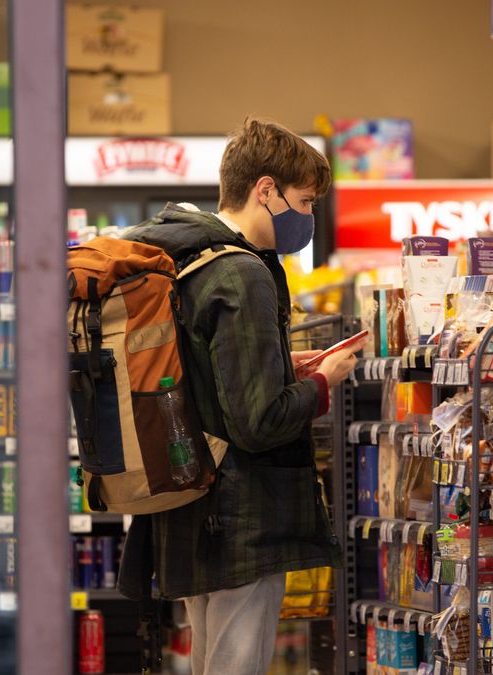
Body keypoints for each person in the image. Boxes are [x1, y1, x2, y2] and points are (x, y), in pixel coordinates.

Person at [118, 118, 360, 674]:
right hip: (240, 521)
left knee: (210, 662)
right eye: (304, 201)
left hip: (188, 503)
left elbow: (211, 376)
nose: (308, 218)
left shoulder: (184, 257)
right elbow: (259, 422)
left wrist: (284, 365)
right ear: (266, 190)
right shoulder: (241, 273)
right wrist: (324, 383)